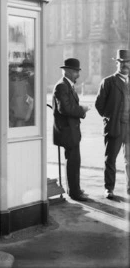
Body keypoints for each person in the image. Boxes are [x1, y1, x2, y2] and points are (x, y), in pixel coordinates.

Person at [52, 58, 90, 201]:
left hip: (71, 130)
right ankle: (74, 193)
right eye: (75, 72)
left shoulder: (67, 85)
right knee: (73, 162)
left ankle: (75, 189)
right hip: (67, 131)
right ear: (67, 71)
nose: (78, 75)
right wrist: (82, 110)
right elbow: (65, 108)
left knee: (75, 161)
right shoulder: (61, 86)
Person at [95, 49, 130, 199]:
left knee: (129, 159)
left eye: (127, 62)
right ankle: (109, 188)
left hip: (129, 127)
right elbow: (99, 105)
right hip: (114, 126)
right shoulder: (108, 82)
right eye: (121, 62)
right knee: (110, 159)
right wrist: (109, 118)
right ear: (117, 63)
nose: (125, 65)